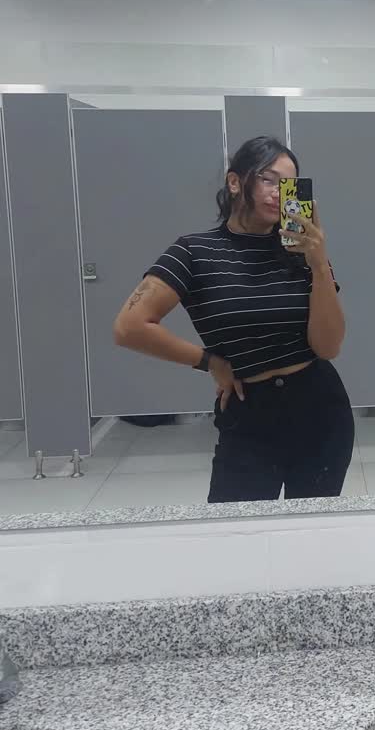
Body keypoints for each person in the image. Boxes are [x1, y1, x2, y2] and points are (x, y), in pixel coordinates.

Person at [113, 135, 355, 503]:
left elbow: (329, 347)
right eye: (268, 179)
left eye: (287, 185)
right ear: (235, 181)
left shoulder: (304, 253)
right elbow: (129, 327)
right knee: (234, 529)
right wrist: (210, 362)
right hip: (248, 414)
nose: (278, 193)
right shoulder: (194, 252)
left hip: (319, 411)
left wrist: (319, 264)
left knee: (309, 531)